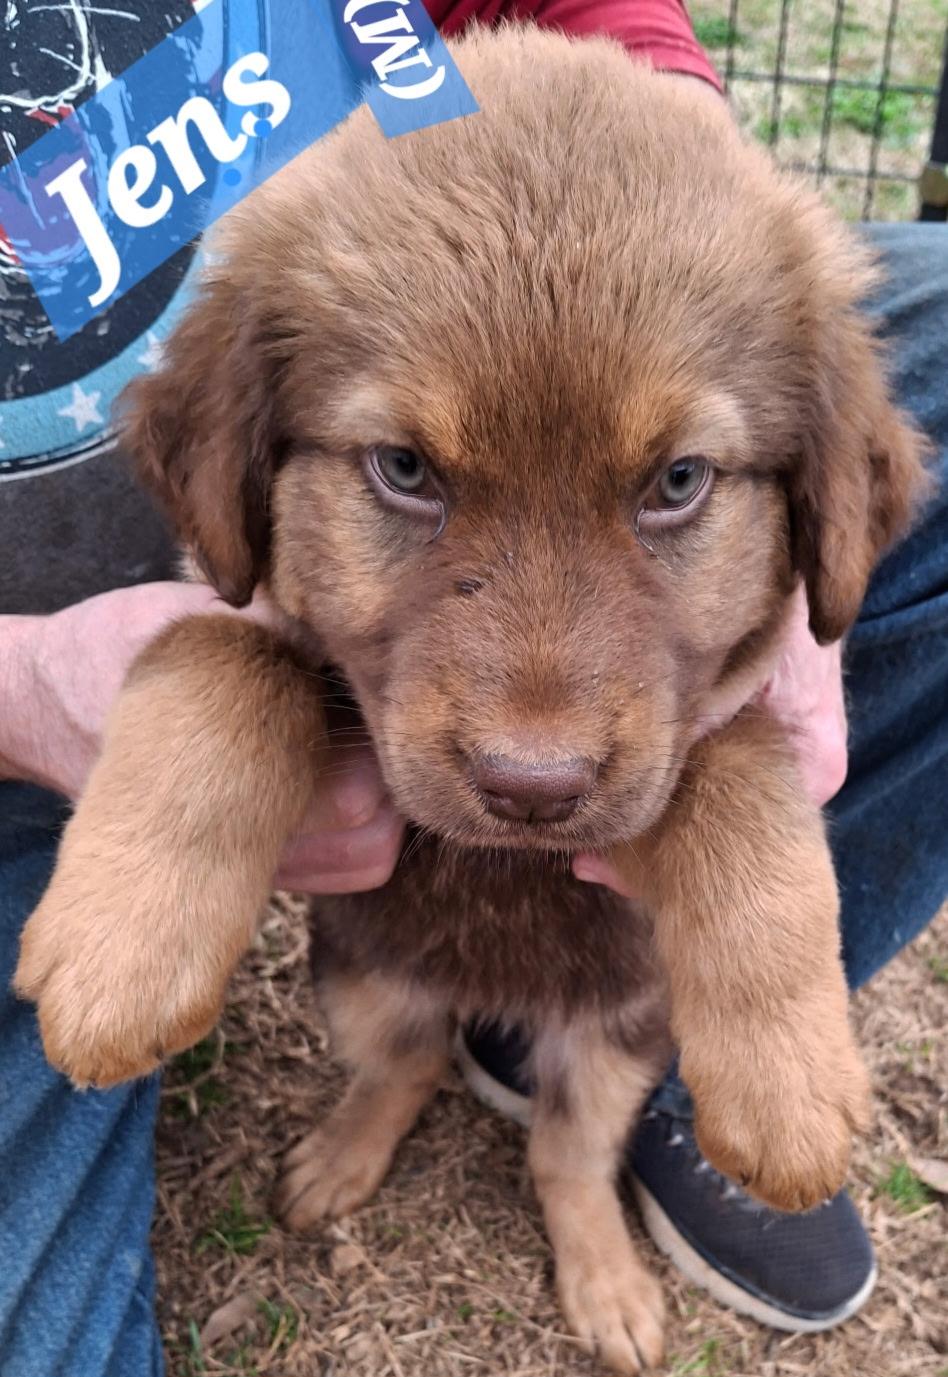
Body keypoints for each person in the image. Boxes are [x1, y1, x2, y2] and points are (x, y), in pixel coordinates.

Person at [0, 2, 945, 1372]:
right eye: (407, 470)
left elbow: (595, 29)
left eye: (677, 481)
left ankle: (589, 1156)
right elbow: (246, 651)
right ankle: (399, 1080)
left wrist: (779, 654)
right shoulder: (271, 353)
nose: (535, 740)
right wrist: (29, 693)